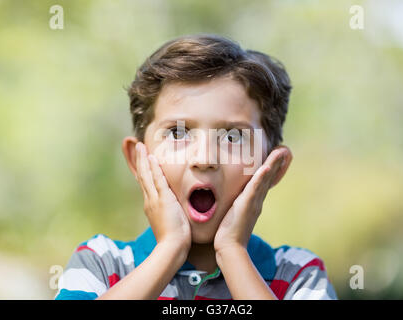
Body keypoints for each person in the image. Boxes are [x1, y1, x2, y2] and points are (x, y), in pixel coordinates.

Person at [55, 34, 337, 300]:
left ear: (272, 167)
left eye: (233, 136)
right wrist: (169, 250)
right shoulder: (100, 263)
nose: (204, 158)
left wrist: (232, 252)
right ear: (137, 160)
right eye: (178, 133)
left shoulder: (299, 274)